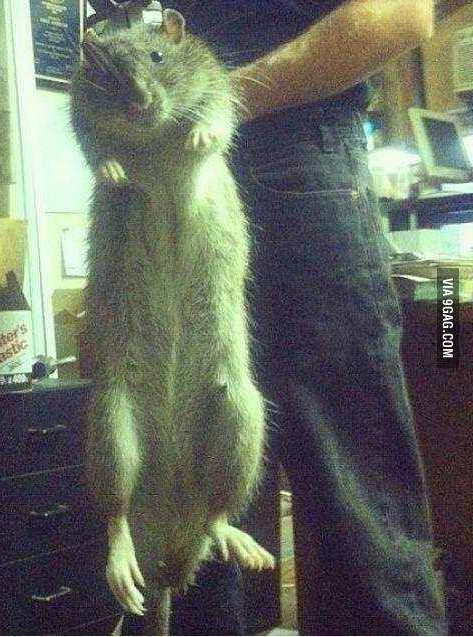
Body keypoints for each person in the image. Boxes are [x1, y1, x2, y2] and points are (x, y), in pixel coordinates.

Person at [122, 0, 448, 634]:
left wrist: (215, 101)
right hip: (174, 186)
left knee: (356, 509)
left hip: (287, 162)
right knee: (193, 526)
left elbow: (402, 13)